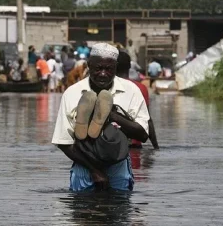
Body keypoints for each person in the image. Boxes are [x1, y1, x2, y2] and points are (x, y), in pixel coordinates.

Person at [52, 43, 150, 192]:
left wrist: (113, 116)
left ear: (116, 67)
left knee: (113, 209)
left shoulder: (131, 91)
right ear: (89, 65)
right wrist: (94, 170)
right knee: (91, 210)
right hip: (85, 162)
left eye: (108, 69)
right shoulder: (72, 93)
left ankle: (106, 117)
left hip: (118, 161)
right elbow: (63, 142)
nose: (103, 73)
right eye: (98, 68)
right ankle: (89, 127)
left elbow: (143, 135)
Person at [116, 51, 159, 150]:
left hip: (112, 146)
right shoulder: (141, 88)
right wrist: (156, 146)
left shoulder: (107, 87)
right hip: (135, 147)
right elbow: (147, 119)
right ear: (129, 66)